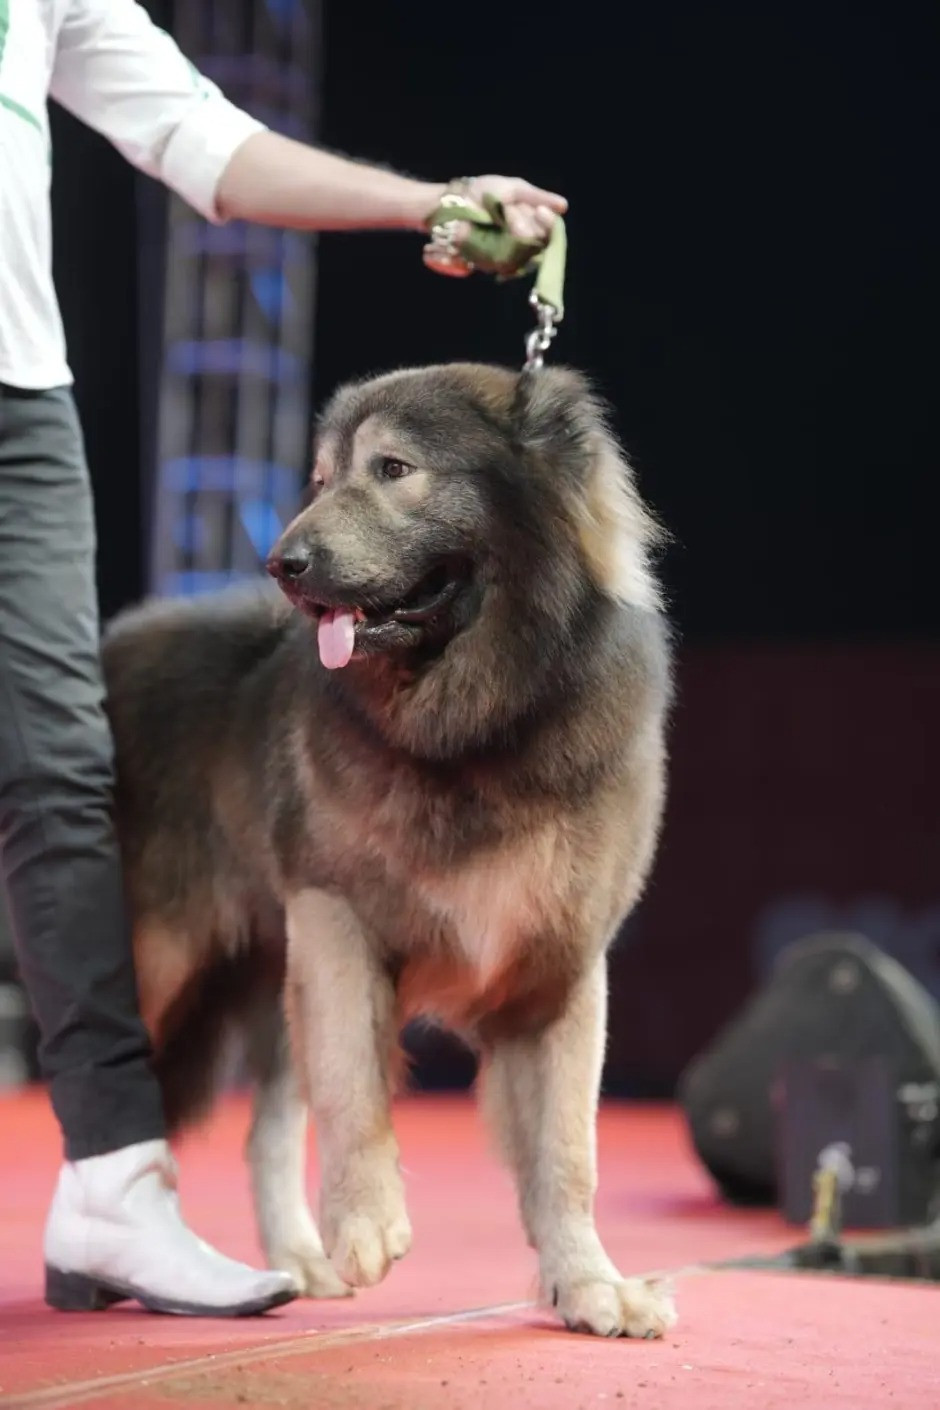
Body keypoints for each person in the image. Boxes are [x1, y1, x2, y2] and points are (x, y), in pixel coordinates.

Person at [0, 0, 566, 1317]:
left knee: (57, 764)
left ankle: (111, 1183)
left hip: (17, 398)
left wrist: (428, 198)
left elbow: (201, 137)